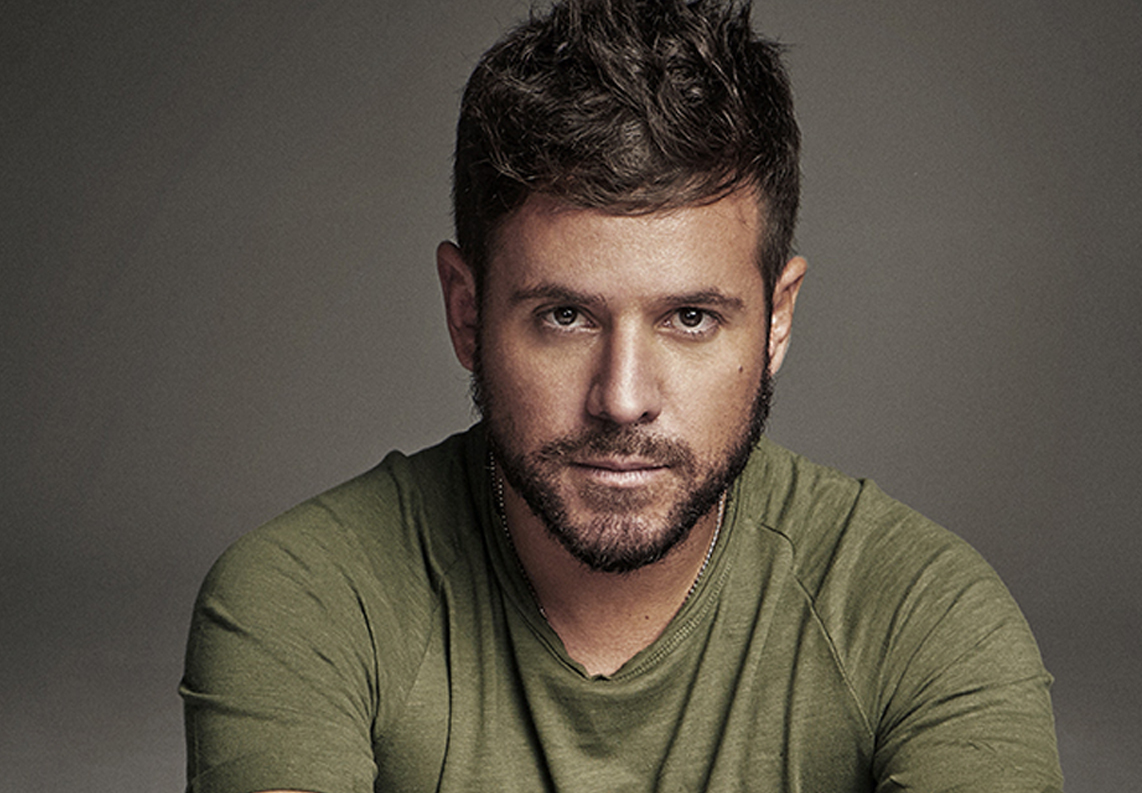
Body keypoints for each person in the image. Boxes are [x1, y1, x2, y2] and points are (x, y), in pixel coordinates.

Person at [180, 1, 1063, 790]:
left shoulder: (921, 613)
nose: (623, 397)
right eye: (565, 316)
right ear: (466, 311)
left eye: (690, 317)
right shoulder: (309, 597)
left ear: (777, 320)